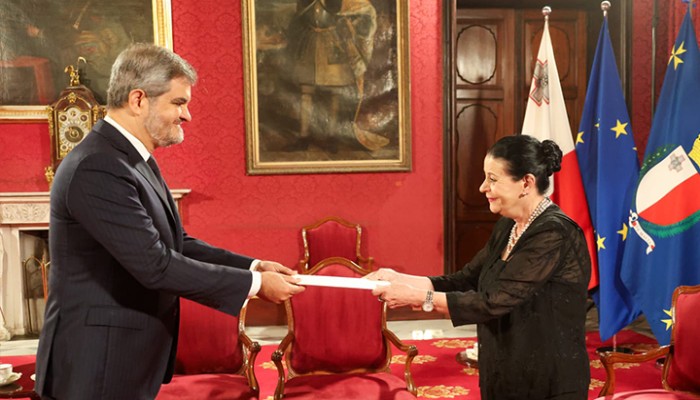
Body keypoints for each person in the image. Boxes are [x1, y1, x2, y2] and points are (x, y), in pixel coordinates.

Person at [34, 43, 305, 400]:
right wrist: (255, 284)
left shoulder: (130, 158)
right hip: (96, 361)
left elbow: (177, 243)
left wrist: (254, 265)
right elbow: (155, 266)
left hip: (119, 356)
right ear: (138, 100)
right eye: (179, 103)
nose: (187, 115)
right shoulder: (98, 165)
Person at [368, 134, 591, 400]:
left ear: (526, 183)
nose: (482, 188)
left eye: (493, 179)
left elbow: (493, 302)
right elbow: (466, 279)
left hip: (548, 379)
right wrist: (399, 278)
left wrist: (420, 297)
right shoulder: (509, 225)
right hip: (504, 369)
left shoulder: (555, 232)